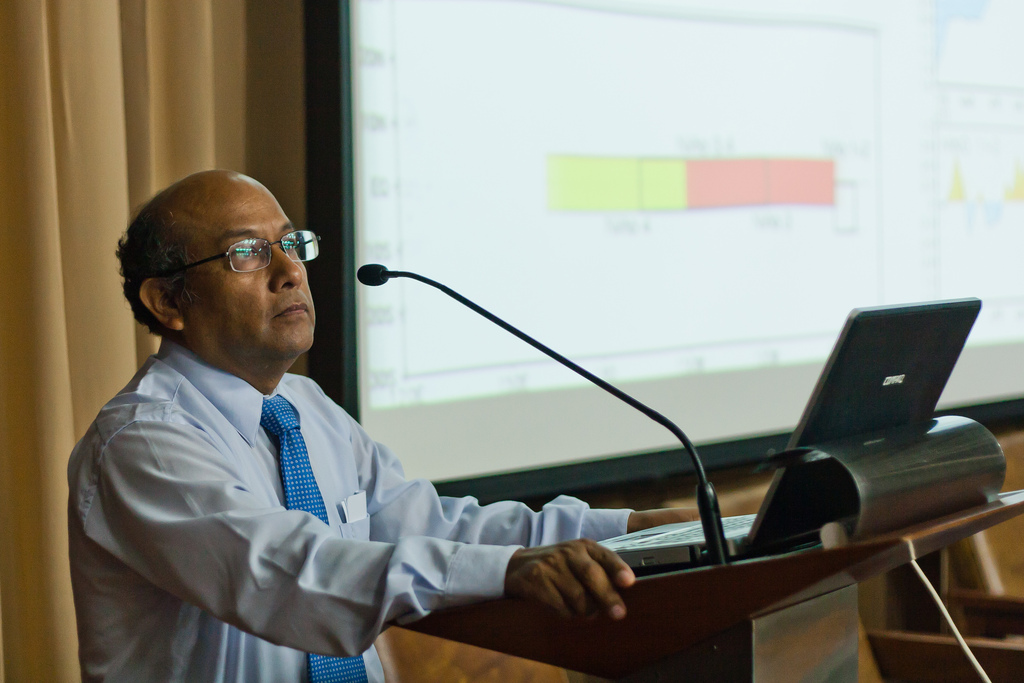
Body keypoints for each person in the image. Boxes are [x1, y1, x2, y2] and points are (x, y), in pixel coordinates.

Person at [67, 170, 696, 683]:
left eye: (291, 244)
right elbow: (287, 573)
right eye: (247, 254)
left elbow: (432, 525)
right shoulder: (142, 443)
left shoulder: (304, 407)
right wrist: (507, 569)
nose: (290, 271)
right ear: (167, 301)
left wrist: (628, 531)